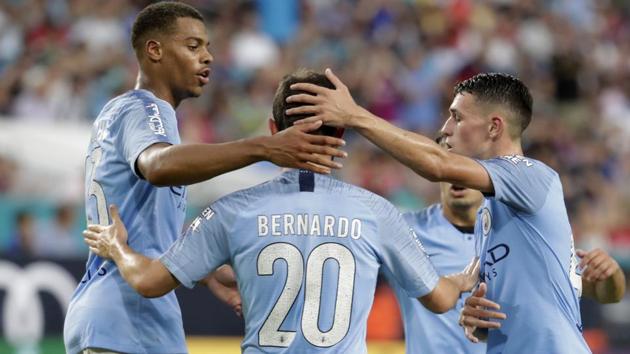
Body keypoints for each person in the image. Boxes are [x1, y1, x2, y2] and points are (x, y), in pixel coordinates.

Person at [82, 70, 481, 353]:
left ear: (274, 129)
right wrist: (462, 282)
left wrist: (117, 246)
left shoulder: (232, 211)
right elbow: (441, 299)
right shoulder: (376, 212)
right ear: (341, 133)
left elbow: (150, 281)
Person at [63, 3, 347, 354]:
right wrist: (264, 148)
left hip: (110, 317)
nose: (208, 57)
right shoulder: (146, 109)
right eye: (193, 46)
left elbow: (143, 220)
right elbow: (157, 165)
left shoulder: (118, 112)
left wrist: (204, 269)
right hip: (129, 320)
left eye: (208, 47)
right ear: (155, 50)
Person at [285, 70, 626, 353]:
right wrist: (477, 324)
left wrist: (354, 115)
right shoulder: (491, 216)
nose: (447, 128)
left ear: (494, 127)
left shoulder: (533, 177)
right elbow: (534, 302)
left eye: (457, 117)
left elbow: (437, 164)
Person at [391, 136, 626, 354]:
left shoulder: (526, 232)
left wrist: (611, 273)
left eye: (466, 163)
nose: (457, 173)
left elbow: (605, 293)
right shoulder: (404, 229)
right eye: (449, 160)